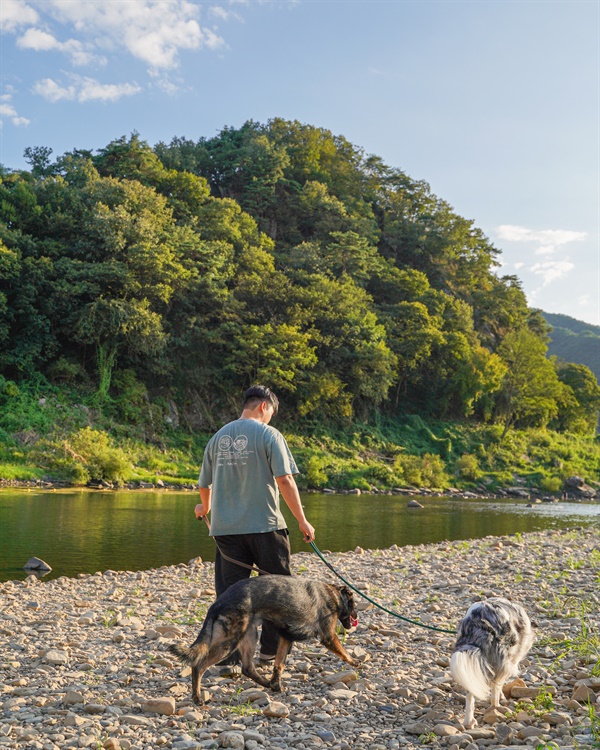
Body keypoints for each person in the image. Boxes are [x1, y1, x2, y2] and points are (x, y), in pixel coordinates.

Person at [195, 384, 315, 665]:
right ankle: (270, 654)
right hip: (265, 526)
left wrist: (206, 507)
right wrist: (302, 520)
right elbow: (285, 480)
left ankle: (229, 658)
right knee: (279, 593)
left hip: (226, 530)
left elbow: (204, 484)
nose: (271, 417)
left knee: (231, 596)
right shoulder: (269, 434)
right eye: (271, 412)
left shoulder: (217, 438)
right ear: (264, 406)